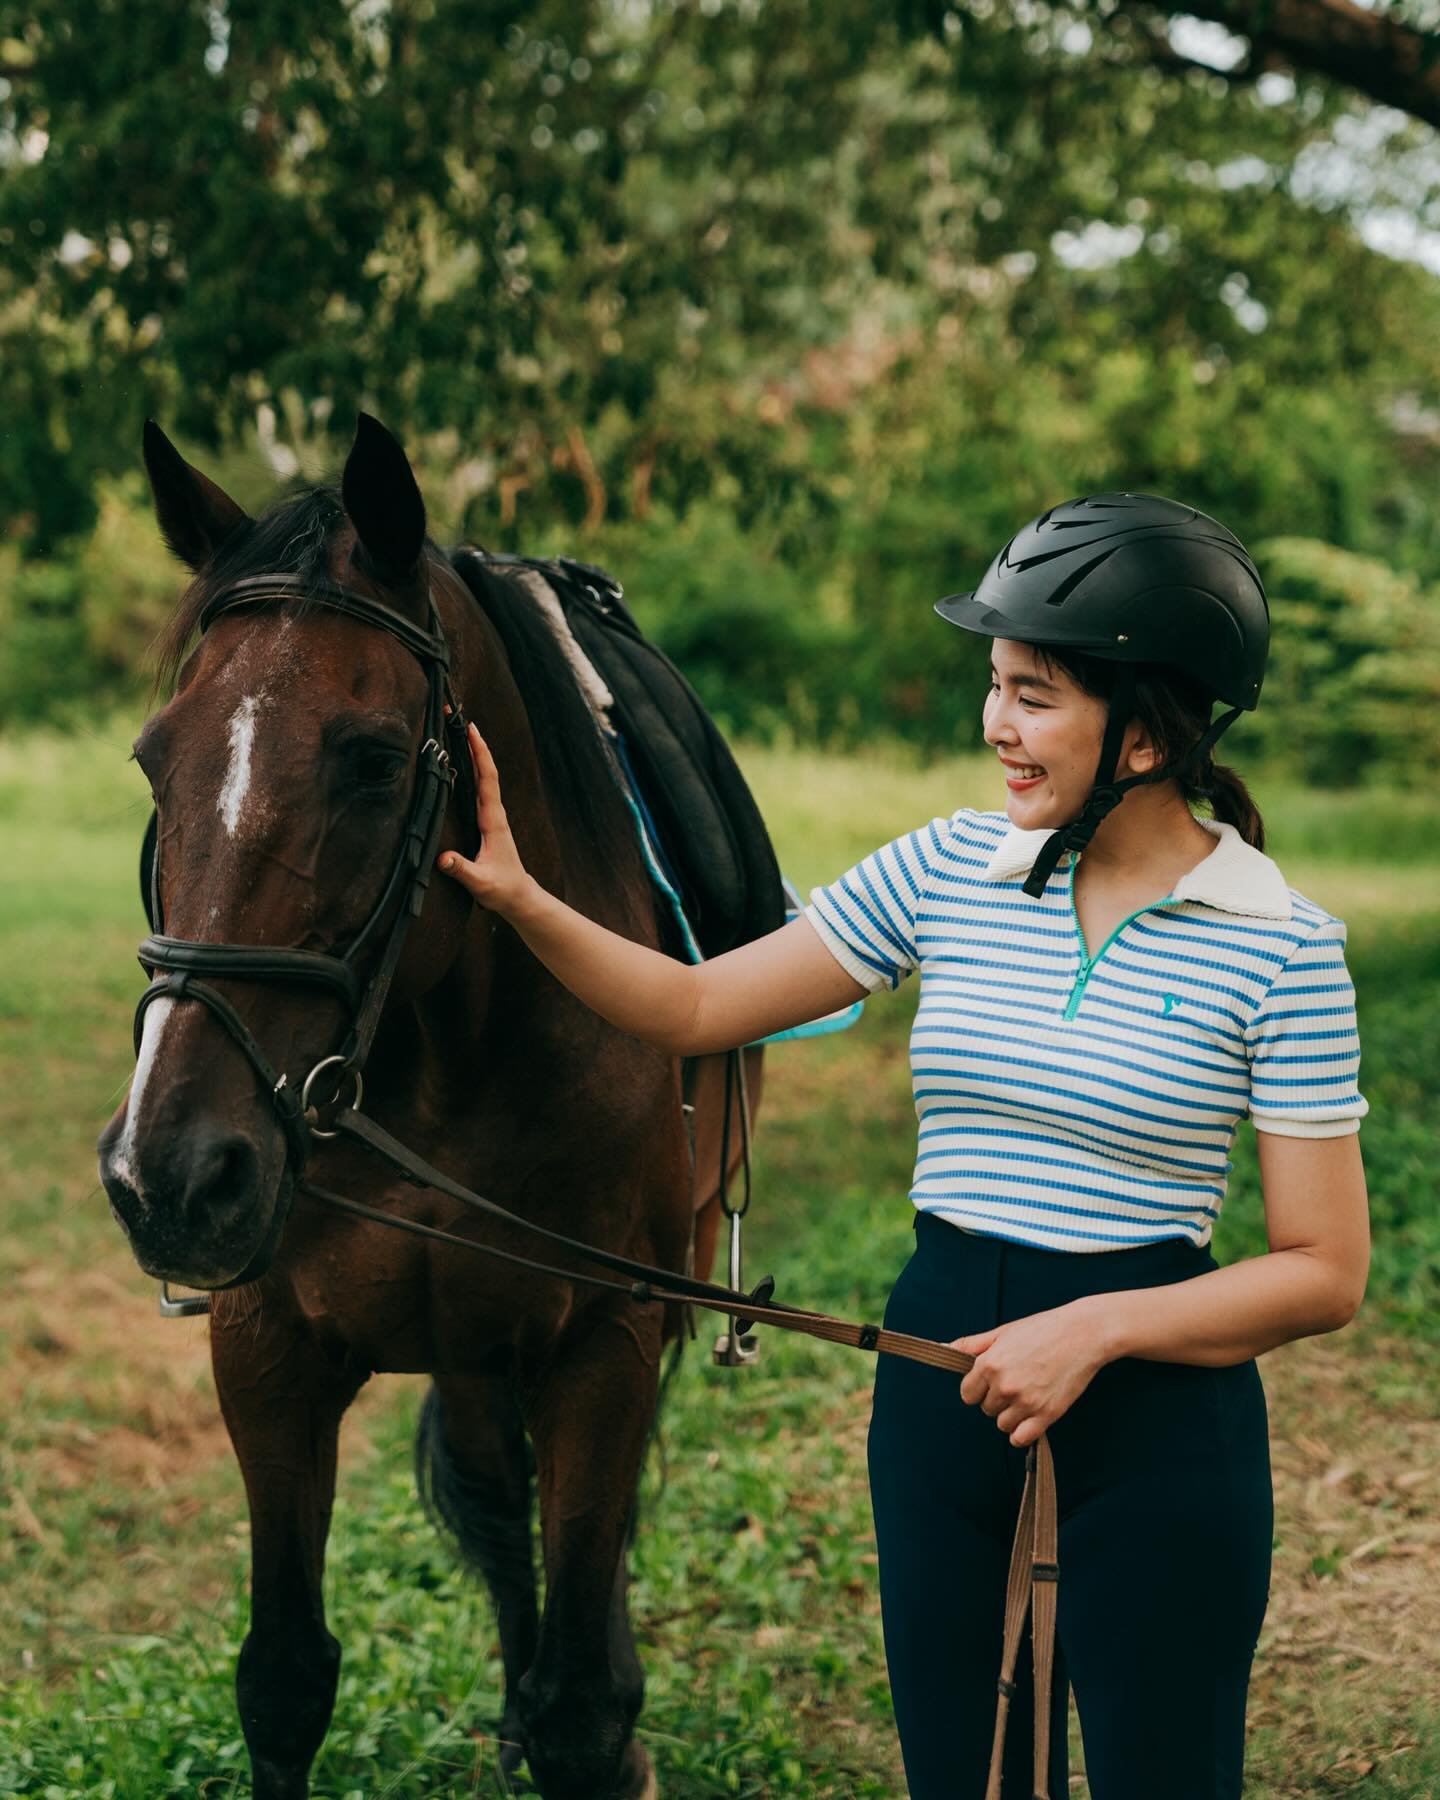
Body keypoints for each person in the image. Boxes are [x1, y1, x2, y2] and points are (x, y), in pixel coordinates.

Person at [437, 494, 1370, 1800]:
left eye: (1034, 694)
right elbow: (699, 1004)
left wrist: (1091, 1331)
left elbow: (1326, 1270)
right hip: (941, 1390)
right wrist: (520, 898)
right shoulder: (946, 870)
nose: (996, 725)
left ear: (1148, 726)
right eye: (996, 686)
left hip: (1162, 1421)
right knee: (964, 1778)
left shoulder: (1280, 943)